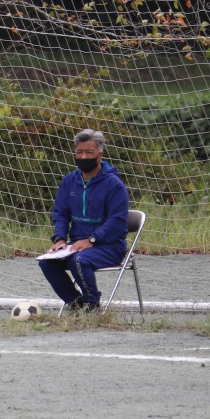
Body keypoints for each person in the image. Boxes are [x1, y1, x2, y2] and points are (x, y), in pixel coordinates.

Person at [38, 129, 130, 312]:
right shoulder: (69, 181)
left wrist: (92, 240)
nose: (83, 156)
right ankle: (76, 305)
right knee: (46, 262)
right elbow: (61, 213)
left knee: (78, 261)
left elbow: (117, 221)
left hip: (110, 247)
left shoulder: (114, 185)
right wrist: (60, 239)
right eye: (79, 152)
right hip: (76, 245)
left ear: (100, 155)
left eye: (89, 152)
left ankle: (92, 304)